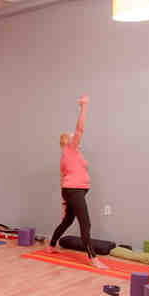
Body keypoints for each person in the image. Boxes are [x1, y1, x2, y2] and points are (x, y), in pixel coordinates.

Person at [47, 95, 107, 269]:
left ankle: (51, 246)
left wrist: (64, 201)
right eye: (72, 137)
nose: (76, 138)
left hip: (71, 191)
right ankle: (93, 258)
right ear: (68, 140)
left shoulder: (70, 155)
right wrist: (84, 106)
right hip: (74, 191)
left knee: (67, 221)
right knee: (85, 223)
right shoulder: (70, 149)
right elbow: (80, 129)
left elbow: (62, 177)